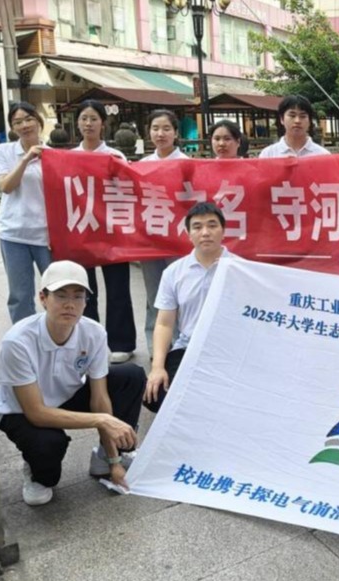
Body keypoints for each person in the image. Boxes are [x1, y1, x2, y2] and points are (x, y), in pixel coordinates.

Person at [0, 260, 145, 506]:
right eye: (60, 296)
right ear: (43, 298)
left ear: (86, 302)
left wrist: (113, 461)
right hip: (20, 410)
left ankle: (103, 458)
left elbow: (99, 397)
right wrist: (102, 420)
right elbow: (36, 413)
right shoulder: (17, 341)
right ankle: (36, 472)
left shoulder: (94, 333)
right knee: (49, 446)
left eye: (78, 296)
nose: (70, 304)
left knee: (130, 376)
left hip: (63, 395)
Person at [143, 202, 234, 412]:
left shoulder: (241, 270)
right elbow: (164, 324)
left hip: (228, 351)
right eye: (197, 227)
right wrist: (157, 367)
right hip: (188, 348)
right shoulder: (174, 272)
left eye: (212, 225)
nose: (205, 232)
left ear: (223, 230)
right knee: (156, 395)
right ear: (188, 234)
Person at [73, 99, 137, 364]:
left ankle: (121, 342)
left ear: (103, 123)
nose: (88, 124)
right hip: (81, 230)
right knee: (85, 290)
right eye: (84, 118)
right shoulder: (69, 157)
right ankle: (90, 341)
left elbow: (128, 190)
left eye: (94, 119)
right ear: (78, 123)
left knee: (118, 288)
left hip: (112, 230)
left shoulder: (115, 156)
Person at [0, 102, 51, 323]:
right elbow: (6, 186)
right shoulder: (4, 151)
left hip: (47, 236)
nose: (24, 125)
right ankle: (24, 338)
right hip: (14, 234)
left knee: (56, 290)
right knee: (20, 295)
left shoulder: (53, 154)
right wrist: (26, 159)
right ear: (13, 127)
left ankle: (57, 335)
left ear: (38, 121)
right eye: (17, 122)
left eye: (29, 119)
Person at [140, 109, 189, 355]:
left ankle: (179, 344)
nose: (161, 134)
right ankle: (155, 346)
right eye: (155, 128)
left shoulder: (187, 164)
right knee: (153, 294)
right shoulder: (141, 166)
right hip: (149, 240)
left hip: (178, 240)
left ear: (176, 133)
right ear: (148, 132)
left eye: (166, 128)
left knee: (179, 293)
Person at [258, 95, 330, 158]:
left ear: (309, 121)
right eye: (292, 115)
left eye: (302, 116)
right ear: (282, 119)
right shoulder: (268, 155)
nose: (297, 121)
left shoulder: (323, 155)